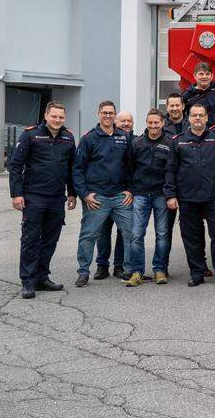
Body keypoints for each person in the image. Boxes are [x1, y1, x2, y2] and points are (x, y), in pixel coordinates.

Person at [163, 102, 215, 287]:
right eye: (194, 115)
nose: (197, 118)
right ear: (189, 117)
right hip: (188, 198)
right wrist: (170, 195)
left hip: (213, 197)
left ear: (206, 118)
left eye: (200, 115)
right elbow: (171, 169)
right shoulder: (178, 140)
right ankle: (197, 273)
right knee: (192, 238)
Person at [9, 101, 76, 299]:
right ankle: (28, 281)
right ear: (46, 116)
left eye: (61, 117)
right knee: (30, 240)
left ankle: (42, 277)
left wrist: (72, 193)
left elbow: (72, 168)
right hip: (33, 197)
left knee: (50, 240)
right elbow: (15, 165)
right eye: (54, 116)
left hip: (57, 198)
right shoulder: (30, 134)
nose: (57, 120)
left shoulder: (68, 137)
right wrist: (16, 194)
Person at [73, 101, 134, 288]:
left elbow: (132, 166)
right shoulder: (89, 138)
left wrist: (130, 189)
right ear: (98, 114)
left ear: (115, 116)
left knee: (131, 233)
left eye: (111, 113)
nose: (108, 116)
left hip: (120, 196)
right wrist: (84, 194)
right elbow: (77, 169)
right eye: (104, 113)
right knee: (89, 235)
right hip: (96, 198)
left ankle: (130, 270)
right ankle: (83, 272)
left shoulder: (123, 137)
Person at [127, 108, 173, 285]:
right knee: (136, 234)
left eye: (156, 122)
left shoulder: (170, 143)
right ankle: (137, 271)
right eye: (150, 122)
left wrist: (170, 193)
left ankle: (160, 270)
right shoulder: (137, 143)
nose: (153, 125)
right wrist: (130, 189)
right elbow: (129, 169)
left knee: (162, 234)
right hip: (140, 194)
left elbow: (172, 170)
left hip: (161, 194)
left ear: (162, 123)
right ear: (146, 123)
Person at [95, 110, 133, 279]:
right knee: (103, 232)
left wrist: (130, 190)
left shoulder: (135, 141)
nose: (126, 124)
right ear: (115, 122)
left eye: (129, 121)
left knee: (124, 233)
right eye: (122, 121)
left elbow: (136, 169)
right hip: (102, 194)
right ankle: (102, 266)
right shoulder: (99, 138)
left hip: (123, 195)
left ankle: (119, 266)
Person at [182, 62, 215, 128]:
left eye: (207, 74)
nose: (204, 77)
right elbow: (179, 116)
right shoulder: (187, 95)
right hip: (199, 132)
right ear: (195, 76)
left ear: (211, 76)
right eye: (201, 74)